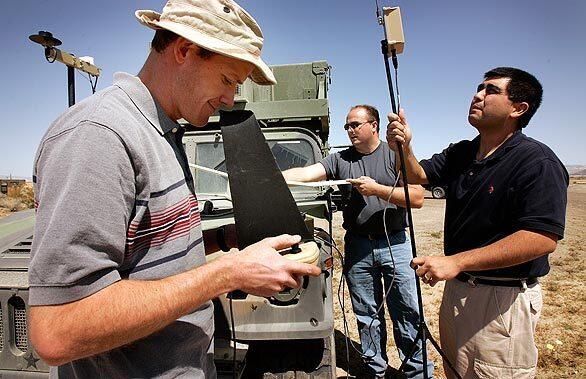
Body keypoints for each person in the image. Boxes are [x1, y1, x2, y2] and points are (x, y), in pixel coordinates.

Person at [28, 1, 321, 377]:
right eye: (228, 80)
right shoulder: (98, 136)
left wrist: (225, 239)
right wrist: (227, 274)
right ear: (184, 50)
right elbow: (57, 331)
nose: (230, 98)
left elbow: (146, 253)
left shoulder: (164, 130)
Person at [386, 67, 569, 378]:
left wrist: (457, 261)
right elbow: (415, 175)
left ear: (518, 108)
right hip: (459, 290)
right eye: (479, 87)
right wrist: (403, 147)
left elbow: (541, 238)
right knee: (456, 371)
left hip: (502, 301)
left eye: (491, 90)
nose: (478, 94)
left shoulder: (537, 162)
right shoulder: (465, 151)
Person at [283, 104, 432, 378]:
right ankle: (376, 371)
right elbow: (306, 174)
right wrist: (274, 177)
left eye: (355, 125)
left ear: (374, 125)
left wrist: (377, 190)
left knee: (407, 312)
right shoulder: (340, 160)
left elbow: (418, 198)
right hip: (359, 246)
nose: (350, 130)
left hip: (396, 245)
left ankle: (417, 373)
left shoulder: (395, 155)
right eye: (347, 126)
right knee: (367, 315)